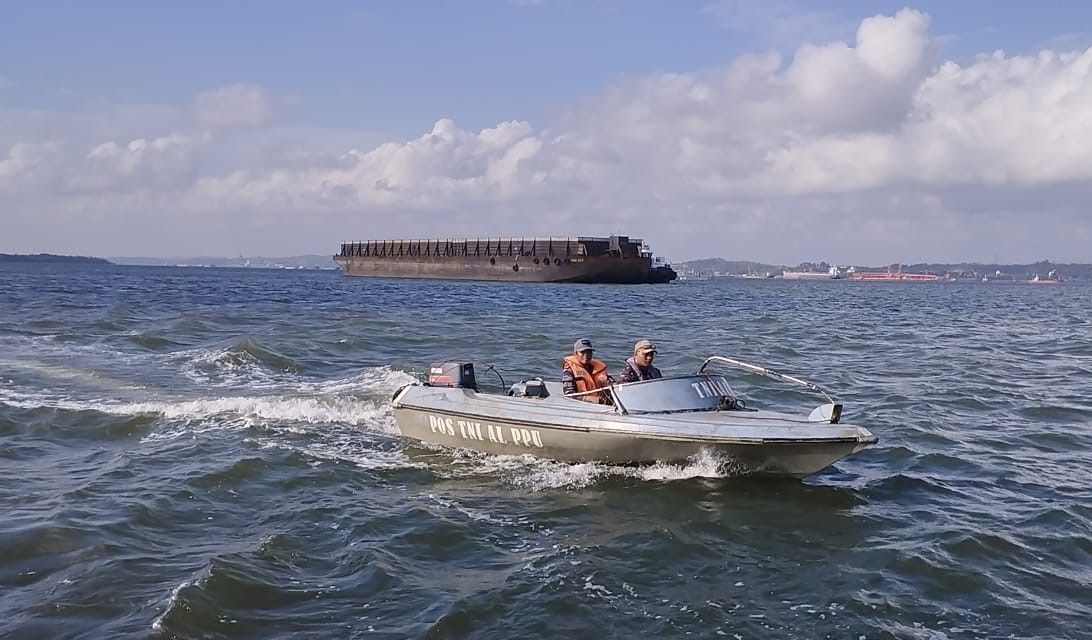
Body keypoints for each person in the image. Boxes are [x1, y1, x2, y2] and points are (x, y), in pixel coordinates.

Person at [561, 338, 611, 403]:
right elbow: (569, 395)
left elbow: (612, 384)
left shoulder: (599, 368)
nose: (586, 355)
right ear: (576, 353)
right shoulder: (569, 370)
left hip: (602, 405)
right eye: (582, 352)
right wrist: (596, 400)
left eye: (589, 352)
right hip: (581, 405)